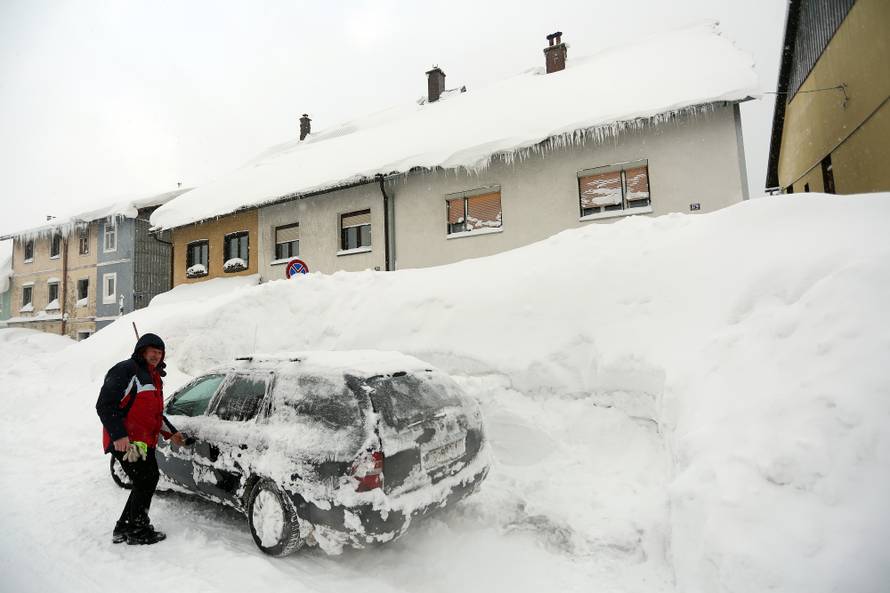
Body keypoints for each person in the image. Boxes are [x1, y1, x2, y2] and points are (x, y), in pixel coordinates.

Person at [96, 333, 185, 545]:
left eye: (159, 351)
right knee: (146, 478)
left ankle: (125, 527)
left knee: (144, 479)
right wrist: (119, 435)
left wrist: (170, 433)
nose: (156, 355)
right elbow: (105, 405)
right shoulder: (126, 370)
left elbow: (153, 414)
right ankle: (137, 528)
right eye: (152, 351)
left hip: (142, 442)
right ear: (141, 351)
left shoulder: (153, 377)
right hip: (128, 441)